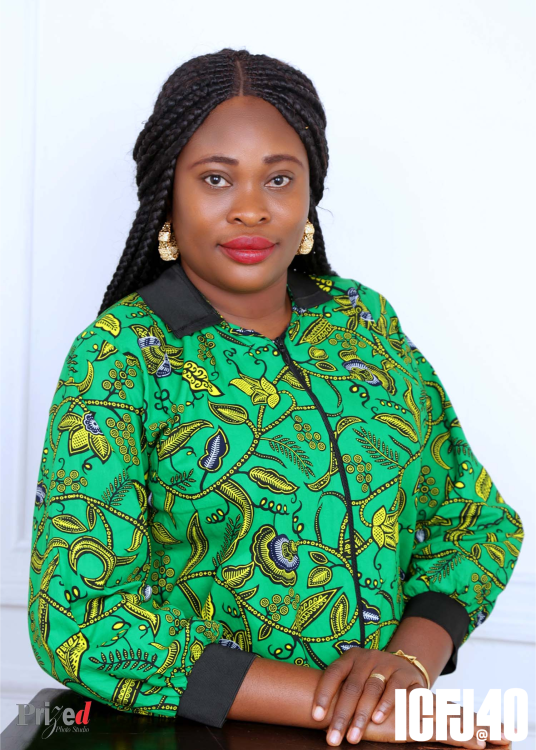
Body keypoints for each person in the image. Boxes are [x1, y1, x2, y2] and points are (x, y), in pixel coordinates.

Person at [28, 48, 522, 748]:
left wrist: (410, 666)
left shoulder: (362, 322)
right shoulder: (121, 359)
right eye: (216, 179)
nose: (253, 209)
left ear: (310, 195)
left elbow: (473, 523)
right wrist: (354, 710)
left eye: (280, 178)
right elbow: (80, 623)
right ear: (167, 196)